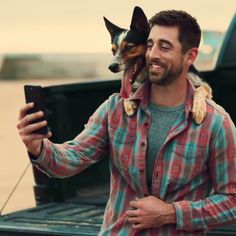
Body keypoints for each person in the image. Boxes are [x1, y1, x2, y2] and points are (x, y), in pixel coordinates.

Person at [17, 10, 236, 235]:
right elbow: (71, 159)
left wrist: (171, 213)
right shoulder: (115, 109)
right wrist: (38, 148)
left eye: (165, 47)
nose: (152, 54)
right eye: (150, 45)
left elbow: (232, 202)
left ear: (190, 56)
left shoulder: (215, 123)